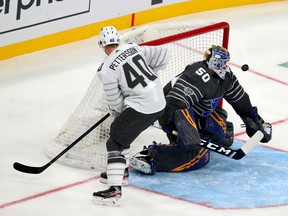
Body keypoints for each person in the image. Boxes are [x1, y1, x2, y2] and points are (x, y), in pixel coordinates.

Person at [129, 45, 272, 174]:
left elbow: (240, 100)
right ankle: (150, 156)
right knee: (196, 157)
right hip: (173, 115)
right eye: (223, 63)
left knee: (222, 133)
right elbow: (174, 103)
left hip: (195, 115)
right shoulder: (199, 76)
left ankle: (191, 138)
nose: (225, 66)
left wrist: (255, 121)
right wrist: (187, 131)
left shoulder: (226, 77)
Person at [92, 26, 170, 206]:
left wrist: (119, 115)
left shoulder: (105, 70)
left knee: (115, 141)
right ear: (117, 40)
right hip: (160, 101)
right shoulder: (132, 47)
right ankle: (122, 172)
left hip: (144, 106)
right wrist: (153, 74)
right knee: (122, 131)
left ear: (102, 45)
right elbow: (164, 53)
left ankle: (114, 190)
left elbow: (115, 102)